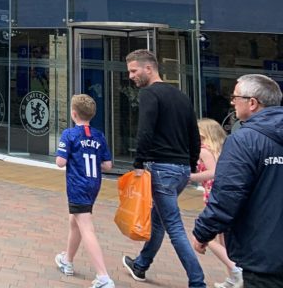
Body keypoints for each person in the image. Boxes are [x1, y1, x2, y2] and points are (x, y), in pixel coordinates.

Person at [121, 49, 205, 287]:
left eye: (134, 70)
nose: (131, 76)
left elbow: (145, 131)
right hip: (179, 169)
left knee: (174, 226)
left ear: (149, 68)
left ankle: (197, 281)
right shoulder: (181, 96)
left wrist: (138, 163)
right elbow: (194, 136)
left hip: (161, 168)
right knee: (158, 220)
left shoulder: (149, 94)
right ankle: (140, 265)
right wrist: (189, 165)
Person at [192, 74, 283, 288]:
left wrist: (204, 231)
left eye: (235, 97)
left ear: (252, 103)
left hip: (263, 254)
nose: (232, 102)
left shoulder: (244, 141)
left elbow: (228, 193)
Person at [54, 94, 115, 288]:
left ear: (73, 113)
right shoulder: (99, 135)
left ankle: (103, 276)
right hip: (93, 185)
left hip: (77, 185)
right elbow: (108, 165)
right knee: (75, 222)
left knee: (86, 227)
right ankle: (67, 260)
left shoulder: (69, 135)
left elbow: (60, 162)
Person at [190, 119, 243, 288]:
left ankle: (236, 269)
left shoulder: (203, 151)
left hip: (214, 195)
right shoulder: (222, 149)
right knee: (222, 239)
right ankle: (233, 277)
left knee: (209, 236)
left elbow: (213, 172)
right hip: (219, 194)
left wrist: (190, 177)